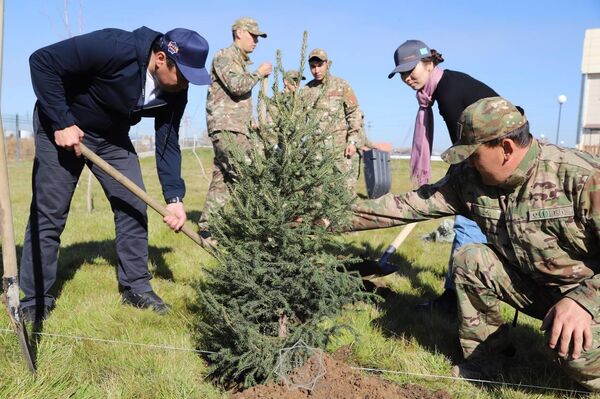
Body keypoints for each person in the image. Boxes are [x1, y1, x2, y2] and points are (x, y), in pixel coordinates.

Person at [351, 96, 600, 390]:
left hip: (588, 295)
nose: (468, 163)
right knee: (471, 258)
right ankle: (487, 361)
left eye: (474, 155)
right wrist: (323, 217)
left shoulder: (581, 178)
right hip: (540, 289)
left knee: (578, 356)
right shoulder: (471, 179)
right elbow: (405, 205)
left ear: (506, 149)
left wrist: (583, 302)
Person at [21, 27, 211, 322]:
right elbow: (42, 61)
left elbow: (168, 142)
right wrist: (61, 121)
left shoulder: (176, 91)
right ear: (161, 58)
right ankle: (35, 298)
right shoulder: (114, 46)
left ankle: (136, 288)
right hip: (63, 125)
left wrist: (174, 198)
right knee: (50, 211)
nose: (186, 84)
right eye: (183, 75)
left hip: (111, 137)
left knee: (133, 205)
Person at [388, 40, 499, 311]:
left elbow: (466, 148)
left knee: (467, 225)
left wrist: (455, 180)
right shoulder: (444, 88)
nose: (407, 78)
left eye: (411, 70)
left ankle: (455, 300)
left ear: (429, 64)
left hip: (498, 161)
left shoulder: (449, 94)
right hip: (486, 160)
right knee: (474, 227)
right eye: (402, 73)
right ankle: (463, 294)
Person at [199, 17, 272, 237]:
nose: (256, 42)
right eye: (253, 36)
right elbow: (237, 86)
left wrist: (250, 122)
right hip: (227, 129)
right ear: (239, 32)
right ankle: (255, 231)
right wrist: (259, 73)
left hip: (237, 128)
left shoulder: (239, 62)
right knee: (249, 176)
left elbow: (234, 99)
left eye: (258, 38)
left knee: (224, 178)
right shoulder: (225, 56)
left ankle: (207, 229)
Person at [302, 48, 363, 196]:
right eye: (313, 67)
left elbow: (354, 113)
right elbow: (300, 120)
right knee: (318, 196)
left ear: (327, 64)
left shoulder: (341, 85)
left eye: (319, 65)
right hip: (317, 154)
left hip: (341, 152)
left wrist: (353, 141)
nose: (316, 70)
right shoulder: (306, 90)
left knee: (345, 194)